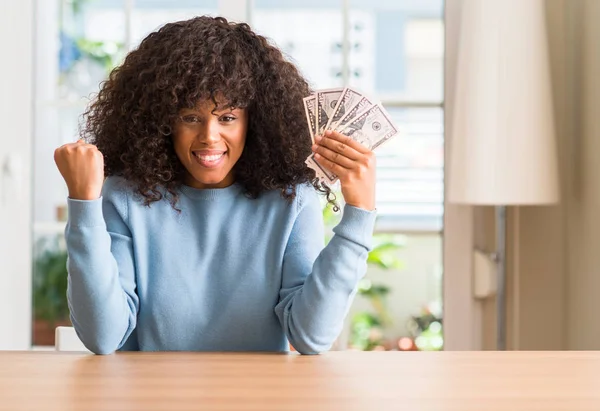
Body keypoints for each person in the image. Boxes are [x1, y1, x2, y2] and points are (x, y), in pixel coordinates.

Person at [54, 16, 377, 355]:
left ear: (254, 121)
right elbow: (104, 337)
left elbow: (311, 337)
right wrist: (84, 204)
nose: (209, 136)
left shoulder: (292, 200)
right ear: (164, 122)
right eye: (190, 117)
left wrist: (359, 213)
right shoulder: (126, 198)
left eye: (227, 118)